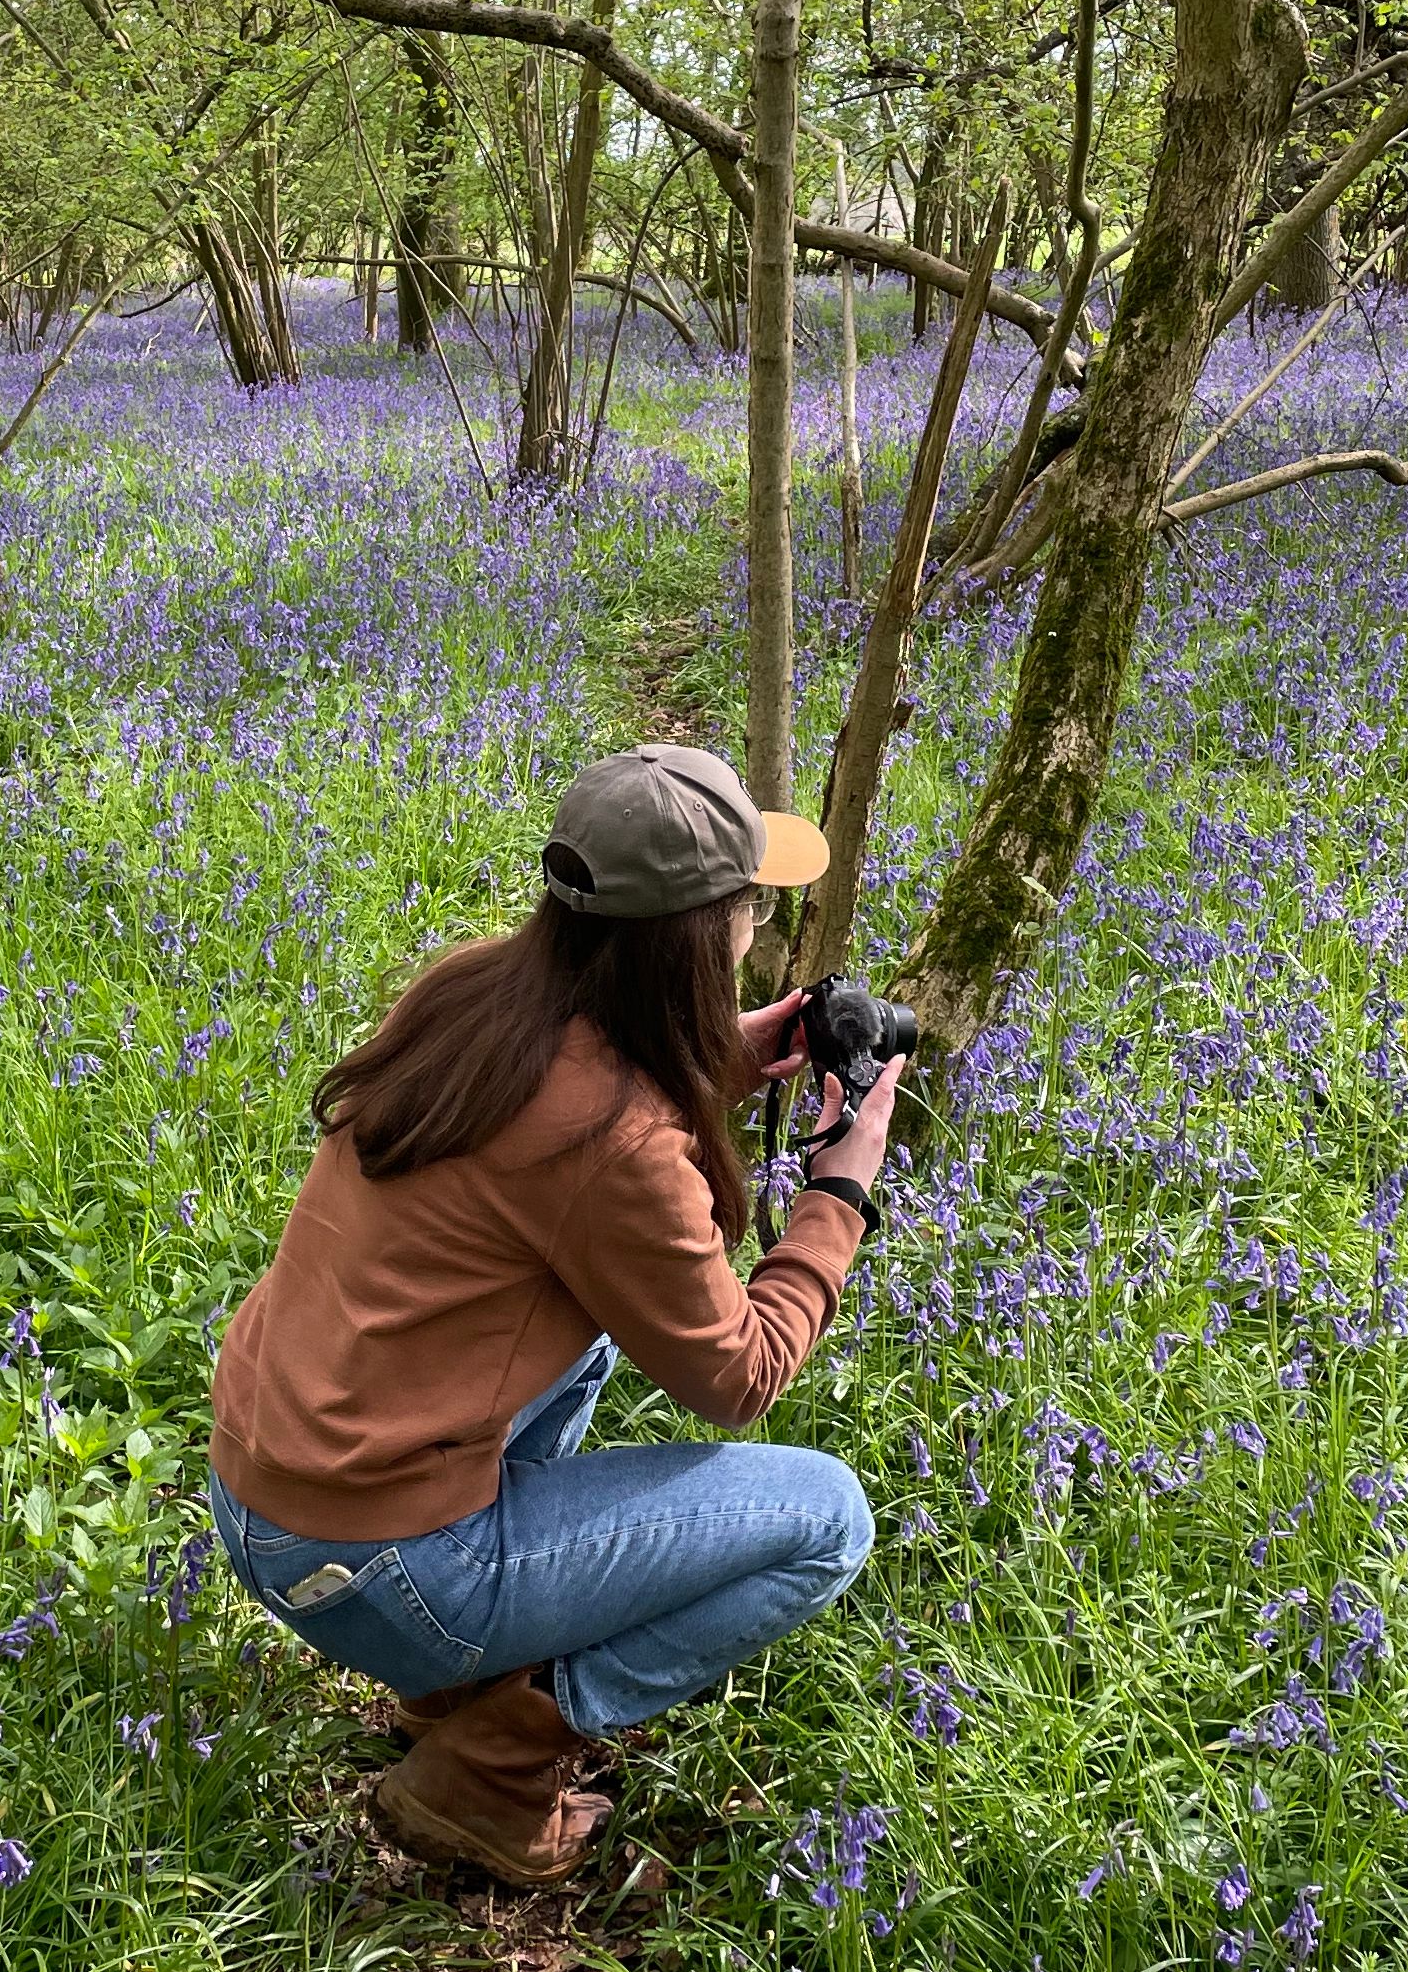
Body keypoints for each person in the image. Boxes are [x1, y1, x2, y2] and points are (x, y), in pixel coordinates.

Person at [210, 740, 907, 1888]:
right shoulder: (616, 1145)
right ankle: (491, 1768)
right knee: (829, 1522)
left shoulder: (476, 988)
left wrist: (725, 1056)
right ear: (702, 932)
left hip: (263, 1495)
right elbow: (737, 1373)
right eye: (747, 904)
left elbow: (552, 1135)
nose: (755, 926)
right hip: (376, 1560)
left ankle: (448, 1684)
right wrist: (840, 1190)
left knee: (576, 1343)